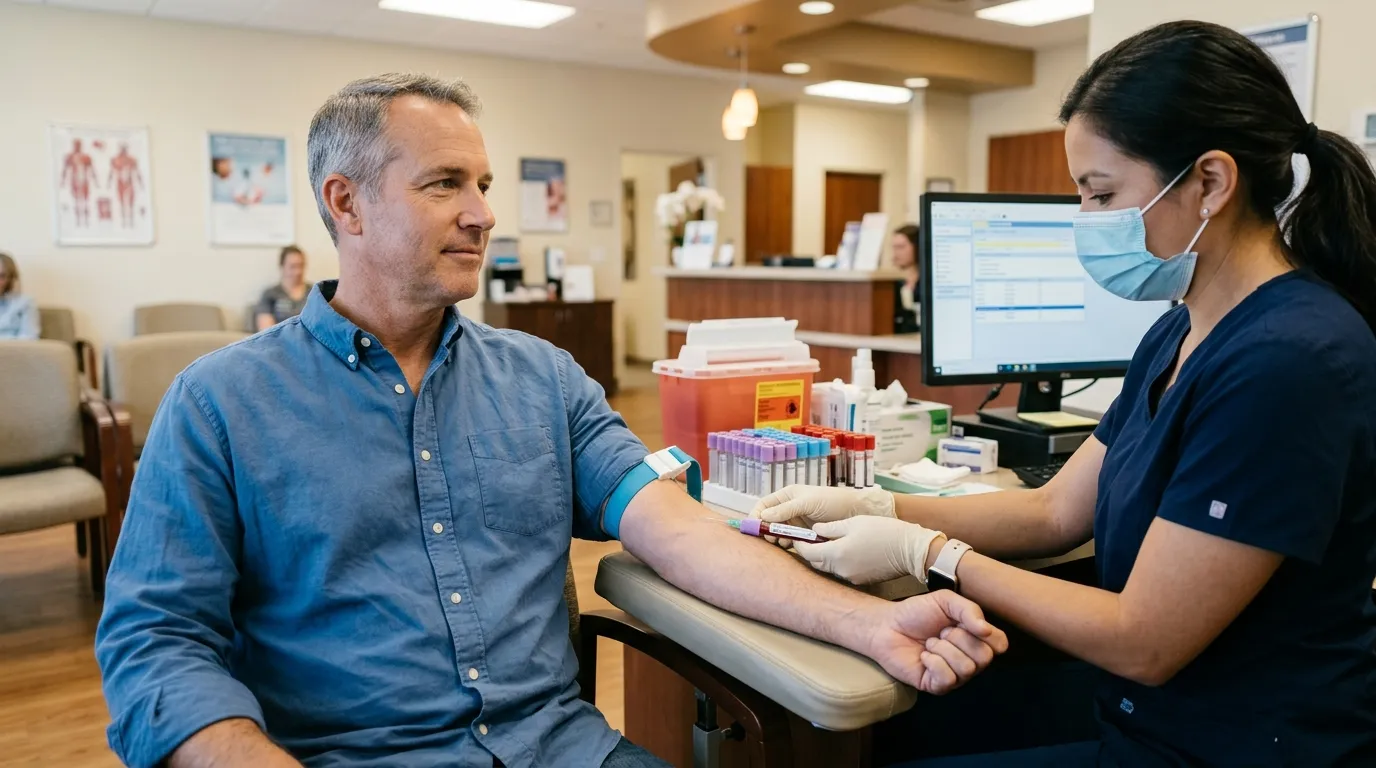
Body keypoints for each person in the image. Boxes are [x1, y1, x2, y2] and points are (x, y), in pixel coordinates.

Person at [95, 73, 1008, 768]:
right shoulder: (218, 405)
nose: (484, 214)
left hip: (559, 747)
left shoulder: (543, 379)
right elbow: (155, 645)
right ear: (346, 203)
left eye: (484, 183)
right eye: (446, 184)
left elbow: (681, 536)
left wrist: (864, 623)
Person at [755, 20, 1376, 766]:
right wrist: (880, 507)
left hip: (1232, 742)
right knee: (884, 729)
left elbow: (1145, 640)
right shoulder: (1178, 331)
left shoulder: (1290, 363)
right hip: (1144, 707)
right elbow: (1057, 510)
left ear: (1210, 181)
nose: (1085, 221)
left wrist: (930, 552)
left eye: (1102, 193)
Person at [254, 245, 309, 330]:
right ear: (282, 266)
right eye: (293, 266)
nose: (298, 271)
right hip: (279, 342)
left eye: (301, 266)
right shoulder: (270, 294)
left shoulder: (315, 292)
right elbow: (266, 331)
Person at [0, 252, 39, 340]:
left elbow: (30, 338)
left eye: (1, 276)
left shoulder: (26, 303)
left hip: (13, 352)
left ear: (10, 279)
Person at [893, 224, 920, 333]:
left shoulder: (927, 283)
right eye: (894, 248)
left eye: (901, 247)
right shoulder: (896, 282)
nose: (896, 253)